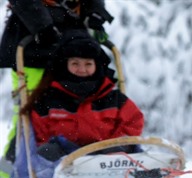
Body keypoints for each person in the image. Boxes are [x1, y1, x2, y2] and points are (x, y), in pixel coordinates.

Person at [0, 0, 113, 178]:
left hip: (73, 42)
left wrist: (95, 11)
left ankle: (83, 174)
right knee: (30, 115)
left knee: (84, 111)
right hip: (33, 44)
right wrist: (41, 25)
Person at [21, 30, 144, 161]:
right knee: (46, 152)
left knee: (124, 148)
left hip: (107, 161)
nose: (82, 69)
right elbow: (39, 133)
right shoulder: (49, 100)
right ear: (65, 64)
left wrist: (116, 144)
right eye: (75, 63)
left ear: (97, 65)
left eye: (88, 64)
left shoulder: (113, 98)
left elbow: (133, 121)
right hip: (64, 163)